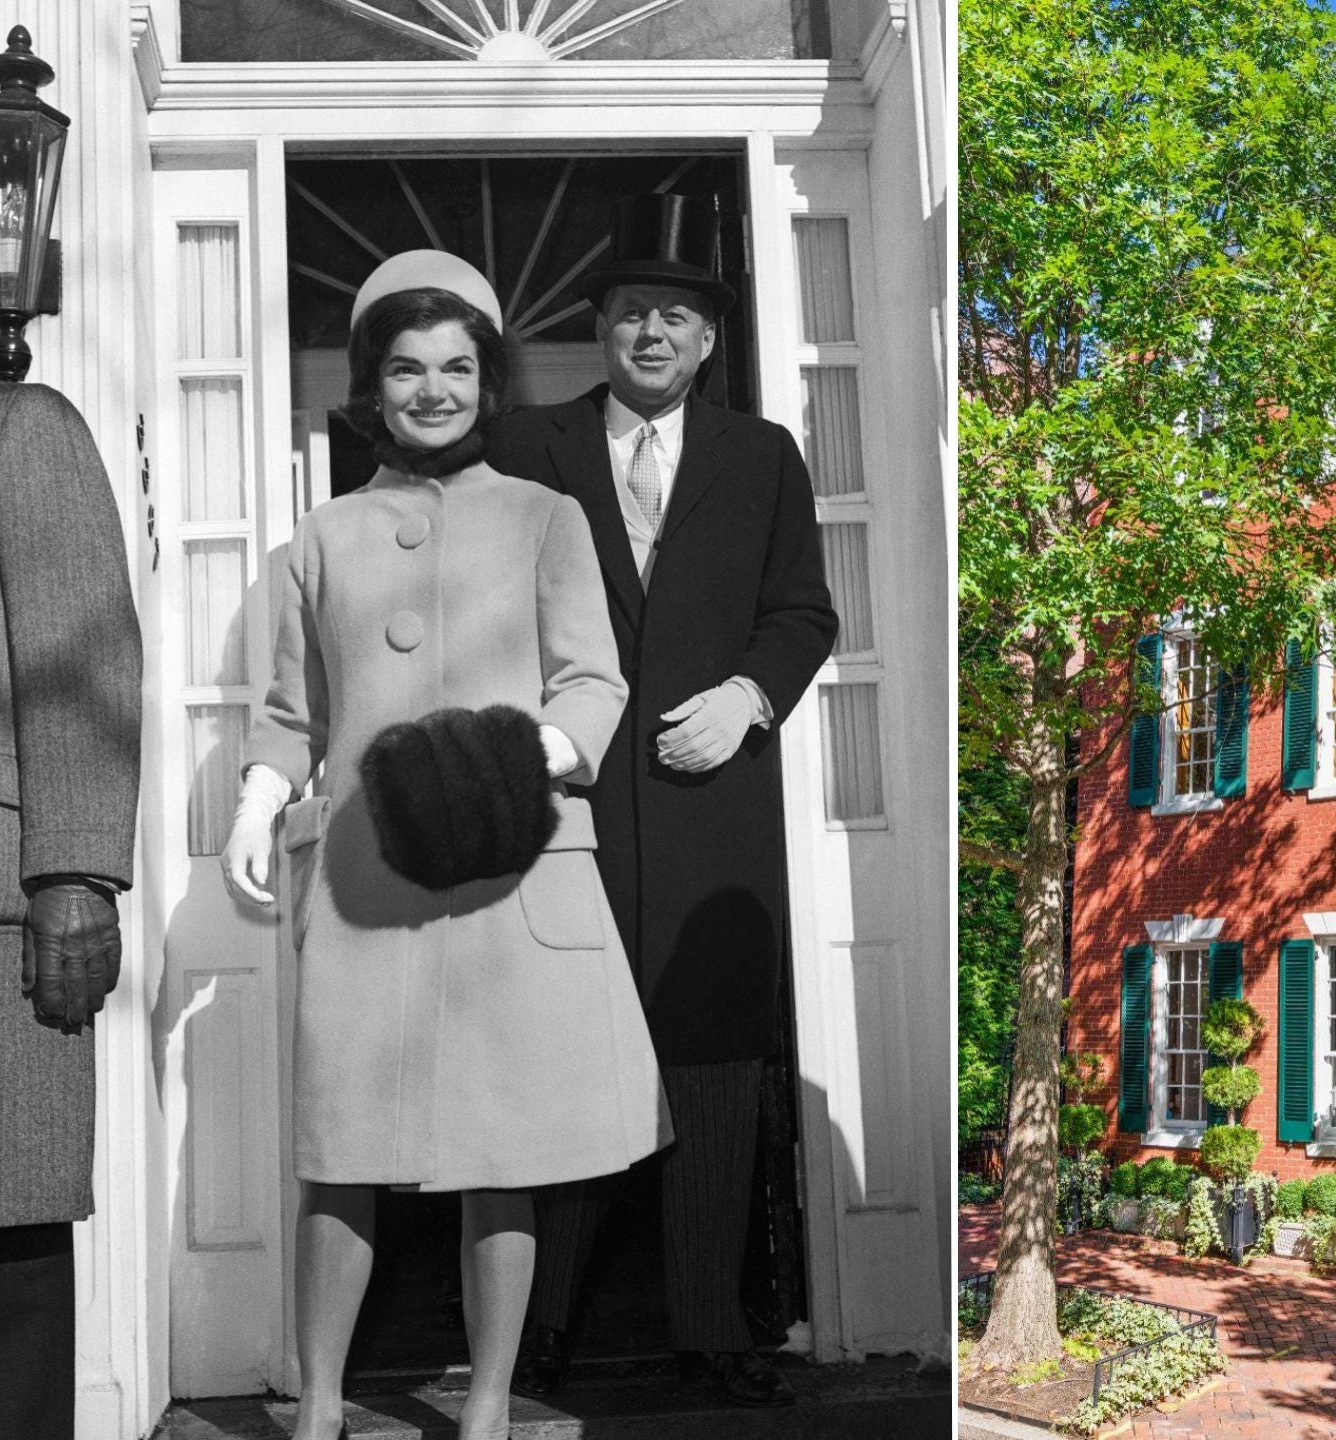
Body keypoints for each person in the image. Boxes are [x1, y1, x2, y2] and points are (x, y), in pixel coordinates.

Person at [220, 251, 670, 1440]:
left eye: (459, 368)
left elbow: (593, 684)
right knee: (340, 1148)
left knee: (500, 1149)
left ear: (488, 381)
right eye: (409, 368)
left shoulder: (548, 519)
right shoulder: (317, 540)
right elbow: (288, 709)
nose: (435, 390)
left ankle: (481, 1405)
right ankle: (317, 1407)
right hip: (369, 878)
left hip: (509, 875)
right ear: (374, 383)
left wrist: (523, 763)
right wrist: (255, 802)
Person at [488, 194, 836, 1410]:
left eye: (675, 317)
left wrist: (750, 694)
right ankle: (534, 1335)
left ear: (704, 342)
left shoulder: (762, 455)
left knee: (710, 1065)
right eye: (633, 311)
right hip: (571, 811)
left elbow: (804, 611)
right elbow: (492, 607)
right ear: (600, 327)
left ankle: (709, 1326)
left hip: (711, 807)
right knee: (567, 1063)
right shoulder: (531, 449)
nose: (652, 333)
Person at [0, 385, 142, 1440]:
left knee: (9, 1259)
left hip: (2, 915)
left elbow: (82, 657)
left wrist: (76, 871)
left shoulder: (19, 428)